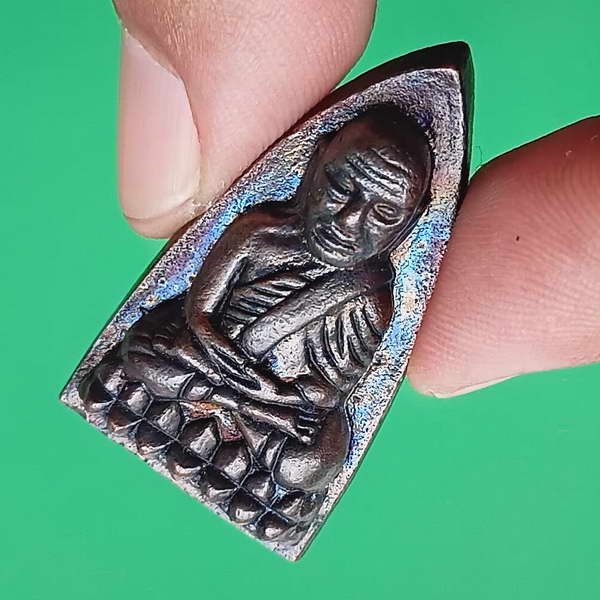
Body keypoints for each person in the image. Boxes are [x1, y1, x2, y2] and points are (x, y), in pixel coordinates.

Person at [80, 107, 433, 541]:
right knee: (144, 352)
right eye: (341, 188)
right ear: (315, 162)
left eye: (384, 215)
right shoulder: (258, 233)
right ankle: (230, 442)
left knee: (311, 464)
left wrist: (278, 398)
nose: (347, 222)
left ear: (411, 221)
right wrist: (262, 396)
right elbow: (198, 315)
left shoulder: (370, 301)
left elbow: (326, 395)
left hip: (260, 402)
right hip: (224, 372)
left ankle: (206, 427)